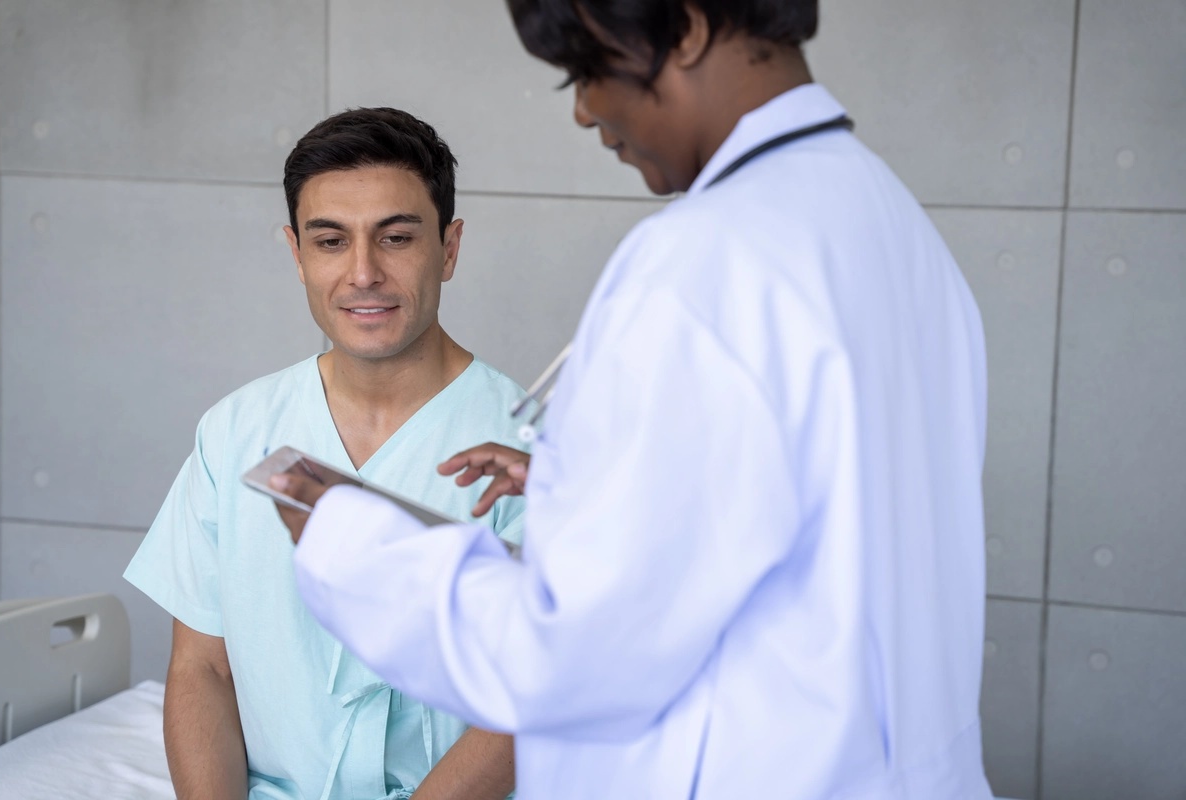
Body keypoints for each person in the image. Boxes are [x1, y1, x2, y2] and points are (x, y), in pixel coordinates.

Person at [275, 2, 994, 797]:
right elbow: (828, 512)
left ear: (685, 27)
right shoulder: (888, 221)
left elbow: (570, 658)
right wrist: (582, 485)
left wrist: (345, 536)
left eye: (587, 70)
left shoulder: (704, 260)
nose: (585, 109)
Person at [124, 107, 524, 800]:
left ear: (449, 248)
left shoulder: (530, 449)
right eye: (331, 241)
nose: (363, 273)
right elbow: (203, 670)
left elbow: (532, 704)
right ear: (297, 253)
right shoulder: (236, 433)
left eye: (396, 238)